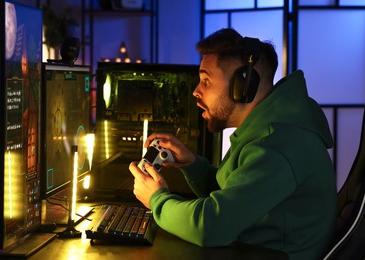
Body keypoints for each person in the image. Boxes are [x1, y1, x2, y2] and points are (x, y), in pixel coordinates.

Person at [128, 28, 337, 260]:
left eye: (206, 80)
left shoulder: (278, 144)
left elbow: (211, 226)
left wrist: (156, 199)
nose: (196, 91)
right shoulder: (263, 131)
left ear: (243, 86)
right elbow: (233, 198)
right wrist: (191, 163)